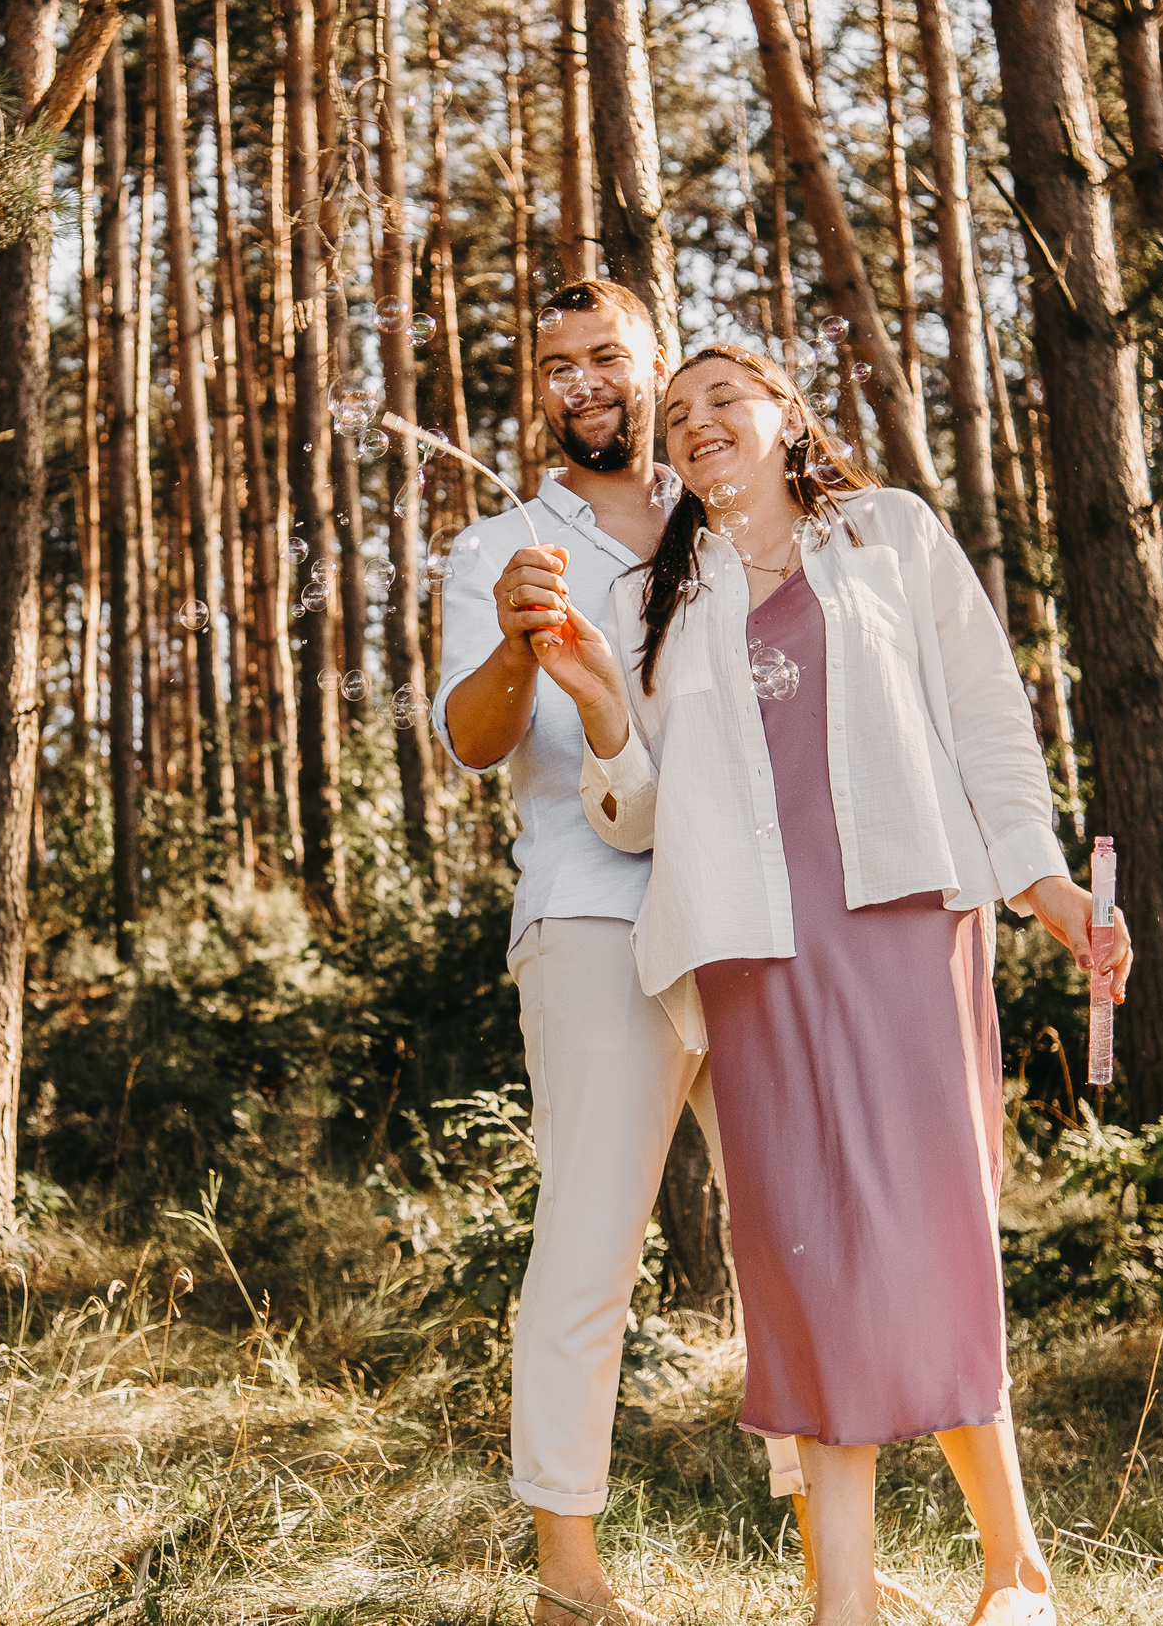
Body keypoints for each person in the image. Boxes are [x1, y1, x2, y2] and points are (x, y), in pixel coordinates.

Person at [517, 343, 1135, 1626]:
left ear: (786, 415)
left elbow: (985, 721)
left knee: (936, 1234)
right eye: (674, 415)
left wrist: (1046, 887)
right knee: (800, 1261)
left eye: (718, 399)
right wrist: (598, 709)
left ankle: (1014, 1571)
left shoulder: (892, 534)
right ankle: (839, 1604)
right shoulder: (667, 605)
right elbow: (636, 817)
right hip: (752, 956)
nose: (692, 425)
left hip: (907, 925)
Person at [432, 280, 761, 1626]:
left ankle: (832, 1552)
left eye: (605, 355)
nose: (581, 381)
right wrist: (516, 637)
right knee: (588, 1249)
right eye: (555, 363)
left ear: (654, 359)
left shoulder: (736, 519)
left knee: (786, 1240)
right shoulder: (501, 543)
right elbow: (472, 736)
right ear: (539, 390)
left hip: (750, 920)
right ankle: (570, 1577)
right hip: (588, 918)